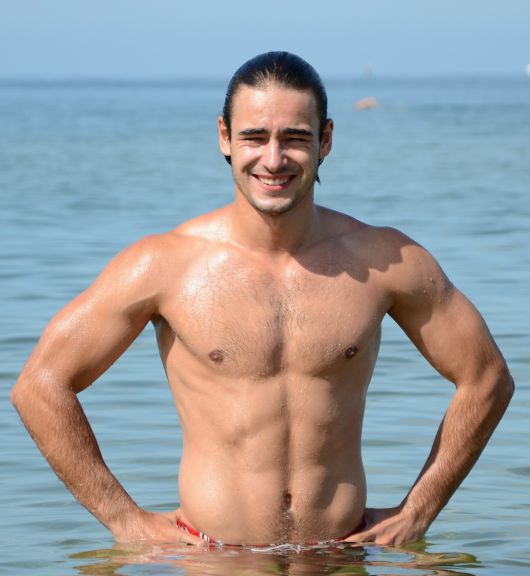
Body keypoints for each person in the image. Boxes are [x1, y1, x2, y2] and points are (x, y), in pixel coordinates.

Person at [11, 51, 514, 547]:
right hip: (213, 567)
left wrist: (417, 512)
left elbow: (487, 378)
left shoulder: (387, 260)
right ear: (225, 137)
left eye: (294, 138)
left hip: (339, 565)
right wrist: (125, 520)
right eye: (255, 137)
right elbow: (40, 386)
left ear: (326, 140)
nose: (273, 160)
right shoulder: (165, 265)